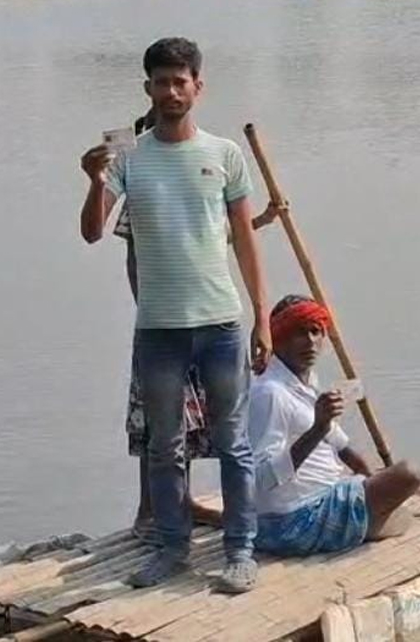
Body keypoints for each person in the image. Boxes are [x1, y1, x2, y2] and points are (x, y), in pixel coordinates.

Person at [79, 37, 270, 593]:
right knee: (165, 445)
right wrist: (93, 180)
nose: (170, 92)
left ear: (197, 87)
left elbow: (244, 241)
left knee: (233, 442)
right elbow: (93, 231)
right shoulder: (129, 158)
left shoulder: (225, 154)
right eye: (160, 83)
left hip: (220, 323)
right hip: (159, 327)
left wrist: (262, 317)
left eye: (179, 82)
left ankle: (240, 551)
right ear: (148, 89)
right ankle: (172, 548)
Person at [114, 109, 286, 542]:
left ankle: (202, 519)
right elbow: (137, 247)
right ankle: (152, 514)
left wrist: (261, 220)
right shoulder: (135, 180)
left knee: (209, 428)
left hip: (206, 317)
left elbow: (211, 234)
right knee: (161, 430)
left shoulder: (213, 161)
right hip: (161, 322)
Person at [248, 295, 420, 557]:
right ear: (277, 339)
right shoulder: (270, 393)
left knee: (395, 483)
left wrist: (368, 476)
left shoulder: (304, 382)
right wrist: (317, 429)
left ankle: (367, 521)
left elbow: (340, 443)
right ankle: (368, 525)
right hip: (290, 521)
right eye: (298, 333)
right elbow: (259, 480)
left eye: (315, 331)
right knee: (410, 475)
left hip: (321, 496)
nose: (309, 341)